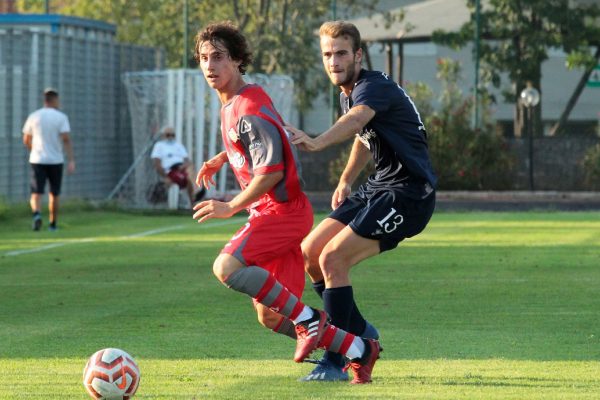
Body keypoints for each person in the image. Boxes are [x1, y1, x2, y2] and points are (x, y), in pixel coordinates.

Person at [192, 21, 381, 384]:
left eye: (218, 57)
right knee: (272, 316)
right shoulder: (240, 101)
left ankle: (310, 320)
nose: (210, 66)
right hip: (281, 213)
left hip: (282, 213)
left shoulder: (246, 106)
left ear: (237, 61)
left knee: (226, 267)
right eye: (203, 58)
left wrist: (230, 206)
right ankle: (359, 349)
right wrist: (223, 157)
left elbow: (271, 173)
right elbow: (264, 138)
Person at [285, 20, 437, 382]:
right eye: (326, 54)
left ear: (357, 55)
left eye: (340, 53)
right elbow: (364, 134)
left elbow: (357, 121)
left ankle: (338, 359)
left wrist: (318, 141)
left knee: (333, 257)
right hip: (379, 186)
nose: (333, 61)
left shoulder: (373, 86)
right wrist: (346, 179)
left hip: (409, 193)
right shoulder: (350, 92)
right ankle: (361, 334)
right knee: (309, 252)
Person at [22, 88, 75, 231]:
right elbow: (66, 139)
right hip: (55, 160)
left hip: (37, 159)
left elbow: (26, 138)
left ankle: (37, 215)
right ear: (54, 100)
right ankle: (52, 224)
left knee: (36, 192)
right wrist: (71, 159)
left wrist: (33, 149)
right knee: (54, 193)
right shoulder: (61, 117)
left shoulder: (34, 116)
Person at [150, 126, 205, 206]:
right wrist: (165, 175)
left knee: (190, 169)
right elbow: (156, 162)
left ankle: (195, 195)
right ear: (163, 136)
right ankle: (195, 196)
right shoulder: (159, 146)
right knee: (188, 179)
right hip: (170, 170)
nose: (171, 137)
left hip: (181, 167)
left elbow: (187, 160)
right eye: (168, 135)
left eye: (173, 135)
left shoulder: (178, 145)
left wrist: (183, 166)